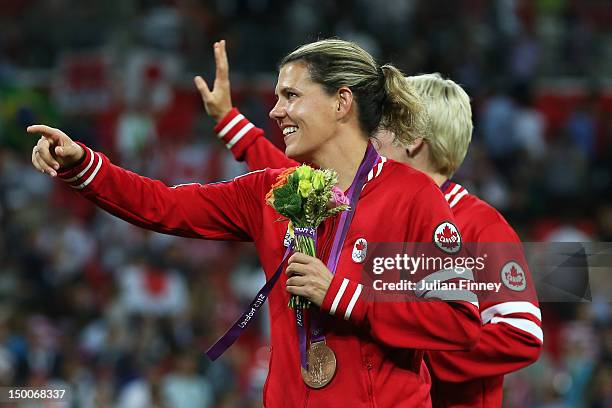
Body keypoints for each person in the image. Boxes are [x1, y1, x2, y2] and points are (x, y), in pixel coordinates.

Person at [28, 39, 481, 407]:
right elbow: (164, 205)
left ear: (342, 102)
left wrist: (344, 297)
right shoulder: (270, 191)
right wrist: (81, 163)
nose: (275, 111)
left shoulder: (413, 198)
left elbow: (458, 323)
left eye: (291, 96)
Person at [198, 42, 542, 407]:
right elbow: (290, 178)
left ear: (413, 142)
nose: (368, 133)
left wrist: (405, 345)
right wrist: (229, 121)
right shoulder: (374, 202)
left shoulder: (481, 226)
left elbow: (522, 334)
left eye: (384, 126)